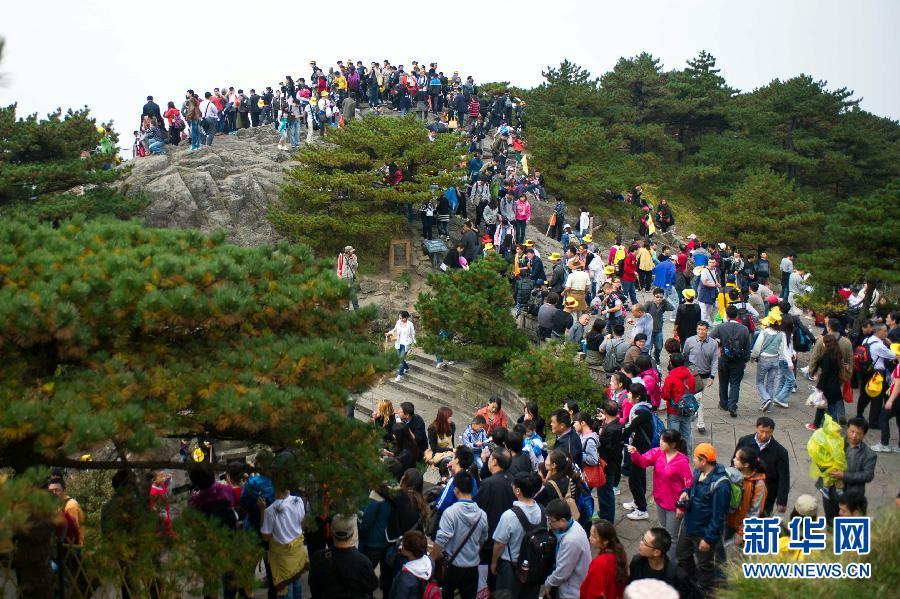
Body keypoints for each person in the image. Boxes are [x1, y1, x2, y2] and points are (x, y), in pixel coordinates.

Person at [674, 443, 730, 596]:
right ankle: (692, 581)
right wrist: (685, 492)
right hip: (689, 524)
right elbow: (690, 487)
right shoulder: (699, 472)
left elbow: (718, 516)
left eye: (695, 458)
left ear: (704, 461)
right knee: (682, 554)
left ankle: (704, 591)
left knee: (705, 564)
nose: (693, 460)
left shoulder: (721, 485)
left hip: (704, 531)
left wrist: (709, 538)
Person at [627, 430, 693, 557]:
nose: (660, 442)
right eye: (661, 439)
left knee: (672, 536)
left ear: (673, 444)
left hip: (674, 505)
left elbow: (688, 483)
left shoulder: (682, 461)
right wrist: (635, 453)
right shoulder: (657, 453)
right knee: (664, 528)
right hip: (660, 499)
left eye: (664, 441)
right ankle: (664, 554)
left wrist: (681, 506)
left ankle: (670, 562)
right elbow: (642, 462)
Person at [491, 472, 546, 599]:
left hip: (511, 568)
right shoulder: (543, 511)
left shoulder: (509, 515)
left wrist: (494, 563)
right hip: (534, 567)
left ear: (518, 491)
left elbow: (499, 543)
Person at [434, 472, 488, 599]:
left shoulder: (450, 512)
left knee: (447, 593)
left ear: (456, 490)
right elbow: (482, 539)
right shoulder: (482, 515)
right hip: (473, 566)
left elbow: (441, 539)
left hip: (452, 565)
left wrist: (432, 559)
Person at [309, 514, 379, 599]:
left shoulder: (318, 557)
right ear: (353, 533)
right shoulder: (363, 562)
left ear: (331, 532)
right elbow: (372, 586)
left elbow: (313, 586)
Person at [820, 417, 876, 522]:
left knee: (848, 524)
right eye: (852, 431)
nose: (854, 436)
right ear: (847, 430)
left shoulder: (869, 454)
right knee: (830, 519)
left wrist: (844, 476)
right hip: (831, 491)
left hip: (852, 495)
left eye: (858, 433)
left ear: (864, 434)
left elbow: (868, 475)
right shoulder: (837, 443)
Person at [733, 417, 789, 515]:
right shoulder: (744, 441)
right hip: (743, 488)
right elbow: (734, 461)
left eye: (768, 432)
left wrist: (782, 501)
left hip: (766, 494)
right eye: (761, 431)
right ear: (756, 428)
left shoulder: (780, 452)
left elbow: (784, 478)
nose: (764, 435)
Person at [543, 498, 592, 599]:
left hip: (571, 591)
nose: (549, 525)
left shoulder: (570, 541)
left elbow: (562, 572)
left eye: (551, 521)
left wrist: (548, 583)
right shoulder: (574, 524)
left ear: (563, 520)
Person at [710, 304, 751, 417]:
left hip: (724, 358)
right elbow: (747, 346)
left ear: (727, 315)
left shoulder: (720, 327)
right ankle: (732, 406)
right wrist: (746, 359)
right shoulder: (744, 329)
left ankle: (723, 403)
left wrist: (719, 346)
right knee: (735, 383)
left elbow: (711, 338)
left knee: (723, 382)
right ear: (737, 315)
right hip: (738, 360)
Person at [723, 446, 766, 554]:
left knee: (735, 559)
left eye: (737, 459)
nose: (733, 460)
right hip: (727, 523)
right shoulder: (731, 475)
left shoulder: (758, 484)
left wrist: (742, 532)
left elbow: (755, 512)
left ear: (746, 465)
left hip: (741, 528)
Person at [622, 384, 655, 520]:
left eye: (630, 393)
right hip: (641, 447)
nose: (627, 395)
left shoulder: (640, 412)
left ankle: (642, 509)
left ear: (638, 397)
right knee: (640, 476)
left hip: (639, 449)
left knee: (635, 479)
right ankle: (638, 502)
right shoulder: (644, 408)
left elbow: (629, 429)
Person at [628, 528, 693, 598]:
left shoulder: (677, 576)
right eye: (642, 538)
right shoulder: (637, 561)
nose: (641, 543)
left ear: (656, 552)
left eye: (645, 543)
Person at [750, 314, 791, 411]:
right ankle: (768, 406)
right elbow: (783, 350)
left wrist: (753, 357)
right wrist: (789, 362)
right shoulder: (782, 334)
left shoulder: (764, 332)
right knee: (771, 383)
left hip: (764, 359)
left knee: (759, 381)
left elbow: (757, 348)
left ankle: (766, 399)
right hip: (775, 360)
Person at [809, 335, 848, 430]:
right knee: (832, 407)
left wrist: (819, 387)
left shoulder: (827, 356)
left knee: (822, 406)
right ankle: (829, 425)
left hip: (827, 386)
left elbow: (825, 374)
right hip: (835, 385)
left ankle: (818, 425)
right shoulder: (838, 354)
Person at [661, 353, 696, 451]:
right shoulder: (691, 376)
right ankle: (687, 456)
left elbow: (666, 396)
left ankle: (674, 457)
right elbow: (692, 391)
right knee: (686, 435)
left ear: (672, 363)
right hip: (687, 410)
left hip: (674, 411)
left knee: (673, 436)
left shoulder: (670, 378)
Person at [596, 401, 623, 523]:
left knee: (605, 493)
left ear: (605, 412)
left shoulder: (610, 430)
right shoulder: (617, 425)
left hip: (607, 465)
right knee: (605, 492)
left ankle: (607, 519)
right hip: (613, 463)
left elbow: (600, 443)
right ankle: (604, 513)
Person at [389, 530, 433, 599]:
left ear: (409, 552)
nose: (401, 545)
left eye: (402, 544)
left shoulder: (405, 577)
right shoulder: (430, 561)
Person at [644, 288, 675, 362]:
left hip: (658, 330)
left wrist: (664, 301)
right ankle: (649, 361)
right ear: (653, 296)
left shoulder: (663, 304)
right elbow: (642, 312)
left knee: (659, 347)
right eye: (657, 297)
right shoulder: (649, 303)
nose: (659, 299)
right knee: (649, 348)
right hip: (649, 331)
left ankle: (656, 356)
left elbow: (672, 308)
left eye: (661, 297)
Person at [386, 311, 416, 382]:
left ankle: (399, 376)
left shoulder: (410, 324)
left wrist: (415, 343)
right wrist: (388, 333)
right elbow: (394, 330)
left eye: (402, 318)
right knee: (400, 359)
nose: (400, 319)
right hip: (398, 343)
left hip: (406, 344)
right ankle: (406, 368)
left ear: (406, 317)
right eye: (400, 318)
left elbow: (413, 334)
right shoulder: (398, 322)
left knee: (400, 360)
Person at [426, 406, 456, 473]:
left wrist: (453, 450)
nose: (451, 418)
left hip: (450, 451)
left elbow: (452, 441)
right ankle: (444, 477)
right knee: (447, 461)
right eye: (449, 416)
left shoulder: (452, 425)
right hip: (439, 453)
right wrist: (450, 450)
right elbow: (434, 448)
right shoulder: (432, 429)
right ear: (444, 418)